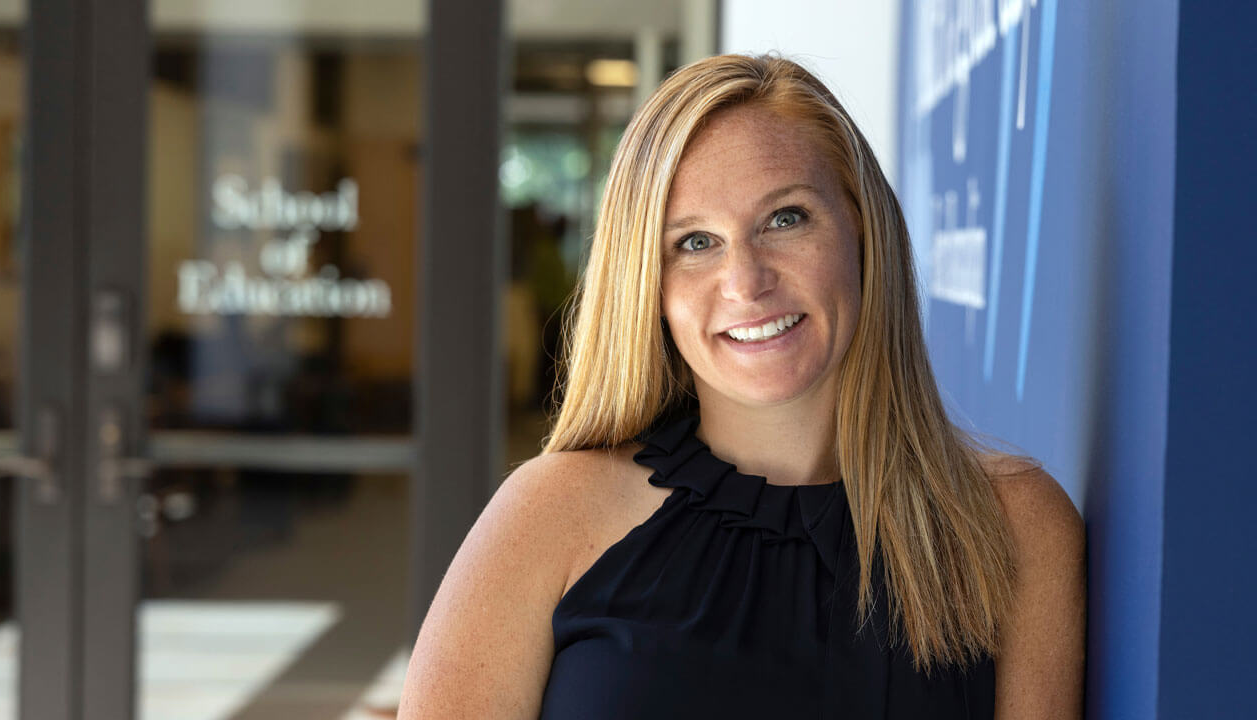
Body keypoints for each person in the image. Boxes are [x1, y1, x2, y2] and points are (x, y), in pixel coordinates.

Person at [397, 54, 1085, 719]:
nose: (746, 282)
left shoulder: (1014, 528)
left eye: (785, 219)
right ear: (649, 288)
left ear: (863, 232)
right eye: (693, 243)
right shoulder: (551, 517)